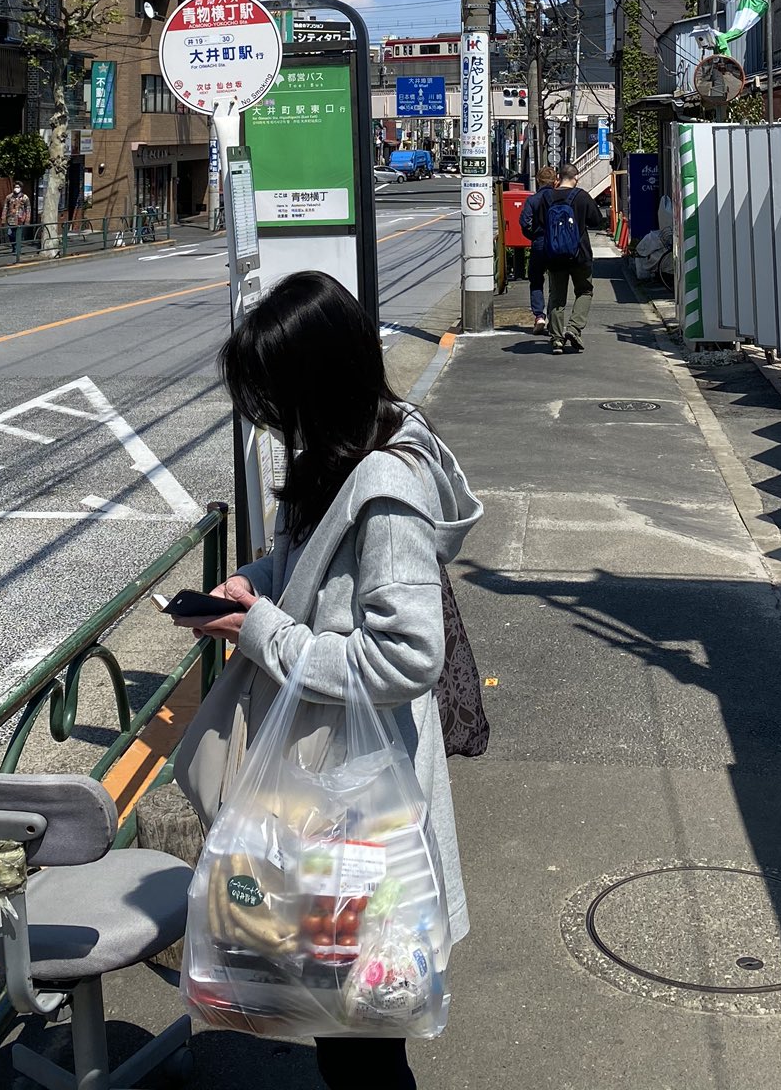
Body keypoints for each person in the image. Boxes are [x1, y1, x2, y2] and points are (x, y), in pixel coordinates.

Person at [174, 271, 482, 1090]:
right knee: (343, 1017)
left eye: (276, 397)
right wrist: (251, 587)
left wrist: (262, 631)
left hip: (360, 795)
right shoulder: (338, 457)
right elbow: (309, 574)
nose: (273, 419)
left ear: (316, 382)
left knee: (363, 1026)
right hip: (327, 787)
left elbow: (406, 656)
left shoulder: (386, 491)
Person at [533, 161, 606, 354]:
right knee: (584, 291)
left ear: (558, 179)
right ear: (576, 178)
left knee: (557, 296)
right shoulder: (582, 196)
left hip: (554, 254)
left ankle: (557, 340)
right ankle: (573, 329)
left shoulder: (547, 197)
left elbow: (539, 223)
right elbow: (597, 221)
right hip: (580, 254)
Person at [518, 164, 559, 331]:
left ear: (539, 181)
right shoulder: (559, 197)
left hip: (539, 243)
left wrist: (533, 236)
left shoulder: (533, 200)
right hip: (557, 244)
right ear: (554, 182)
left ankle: (539, 316)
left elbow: (523, 222)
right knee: (557, 281)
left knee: (536, 279)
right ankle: (554, 317)